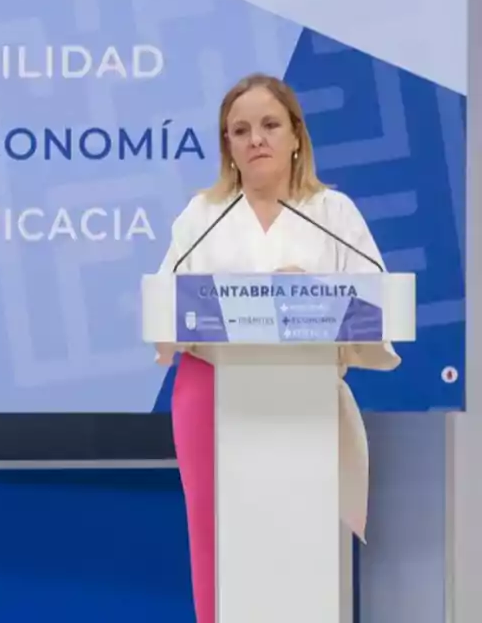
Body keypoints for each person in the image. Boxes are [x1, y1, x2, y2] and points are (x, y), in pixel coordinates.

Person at [155, 73, 399, 623]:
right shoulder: (201, 215)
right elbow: (164, 309)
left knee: (297, 540)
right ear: (228, 147)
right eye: (239, 130)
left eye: (269, 125)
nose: (255, 139)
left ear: (295, 137)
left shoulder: (333, 213)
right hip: (210, 392)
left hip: (304, 394)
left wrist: (310, 299)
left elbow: (378, 304)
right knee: (217, 540)